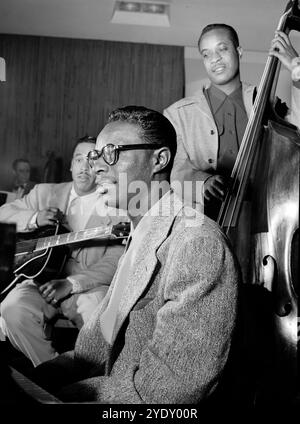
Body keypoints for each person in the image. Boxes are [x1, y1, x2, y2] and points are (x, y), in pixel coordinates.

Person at [27, 105, 240, 404]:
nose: (96, 167)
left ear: (159, 159)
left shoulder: (198, 243)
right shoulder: (139, 233)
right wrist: (35, 383)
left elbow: (167, 392)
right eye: (95, 156)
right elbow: (93, 353)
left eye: (112, 152)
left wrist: (63, 398)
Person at [0, 136, 128, 367]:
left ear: (100, 166)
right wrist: (33, 218)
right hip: (39, 282)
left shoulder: (115, 204)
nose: (84, 166)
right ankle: (51, 373)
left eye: (92, 160)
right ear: (71, 164)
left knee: (98, 312)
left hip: (86, 285)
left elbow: (117, 258)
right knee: (11, 308)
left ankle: (95, 381)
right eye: (79, 159)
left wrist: (73, 283)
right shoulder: (43, 193)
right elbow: (3, 213)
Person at [164, 25, 300, 217]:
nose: (215, 59)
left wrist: (297, 68)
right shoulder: (177, 114)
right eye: (206, 54)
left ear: (239, 51)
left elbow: (297, 132)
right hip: (205, 221)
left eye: (222, 49)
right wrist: (202, 183)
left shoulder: (265, 101)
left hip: (266, 216)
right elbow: (176, 170)